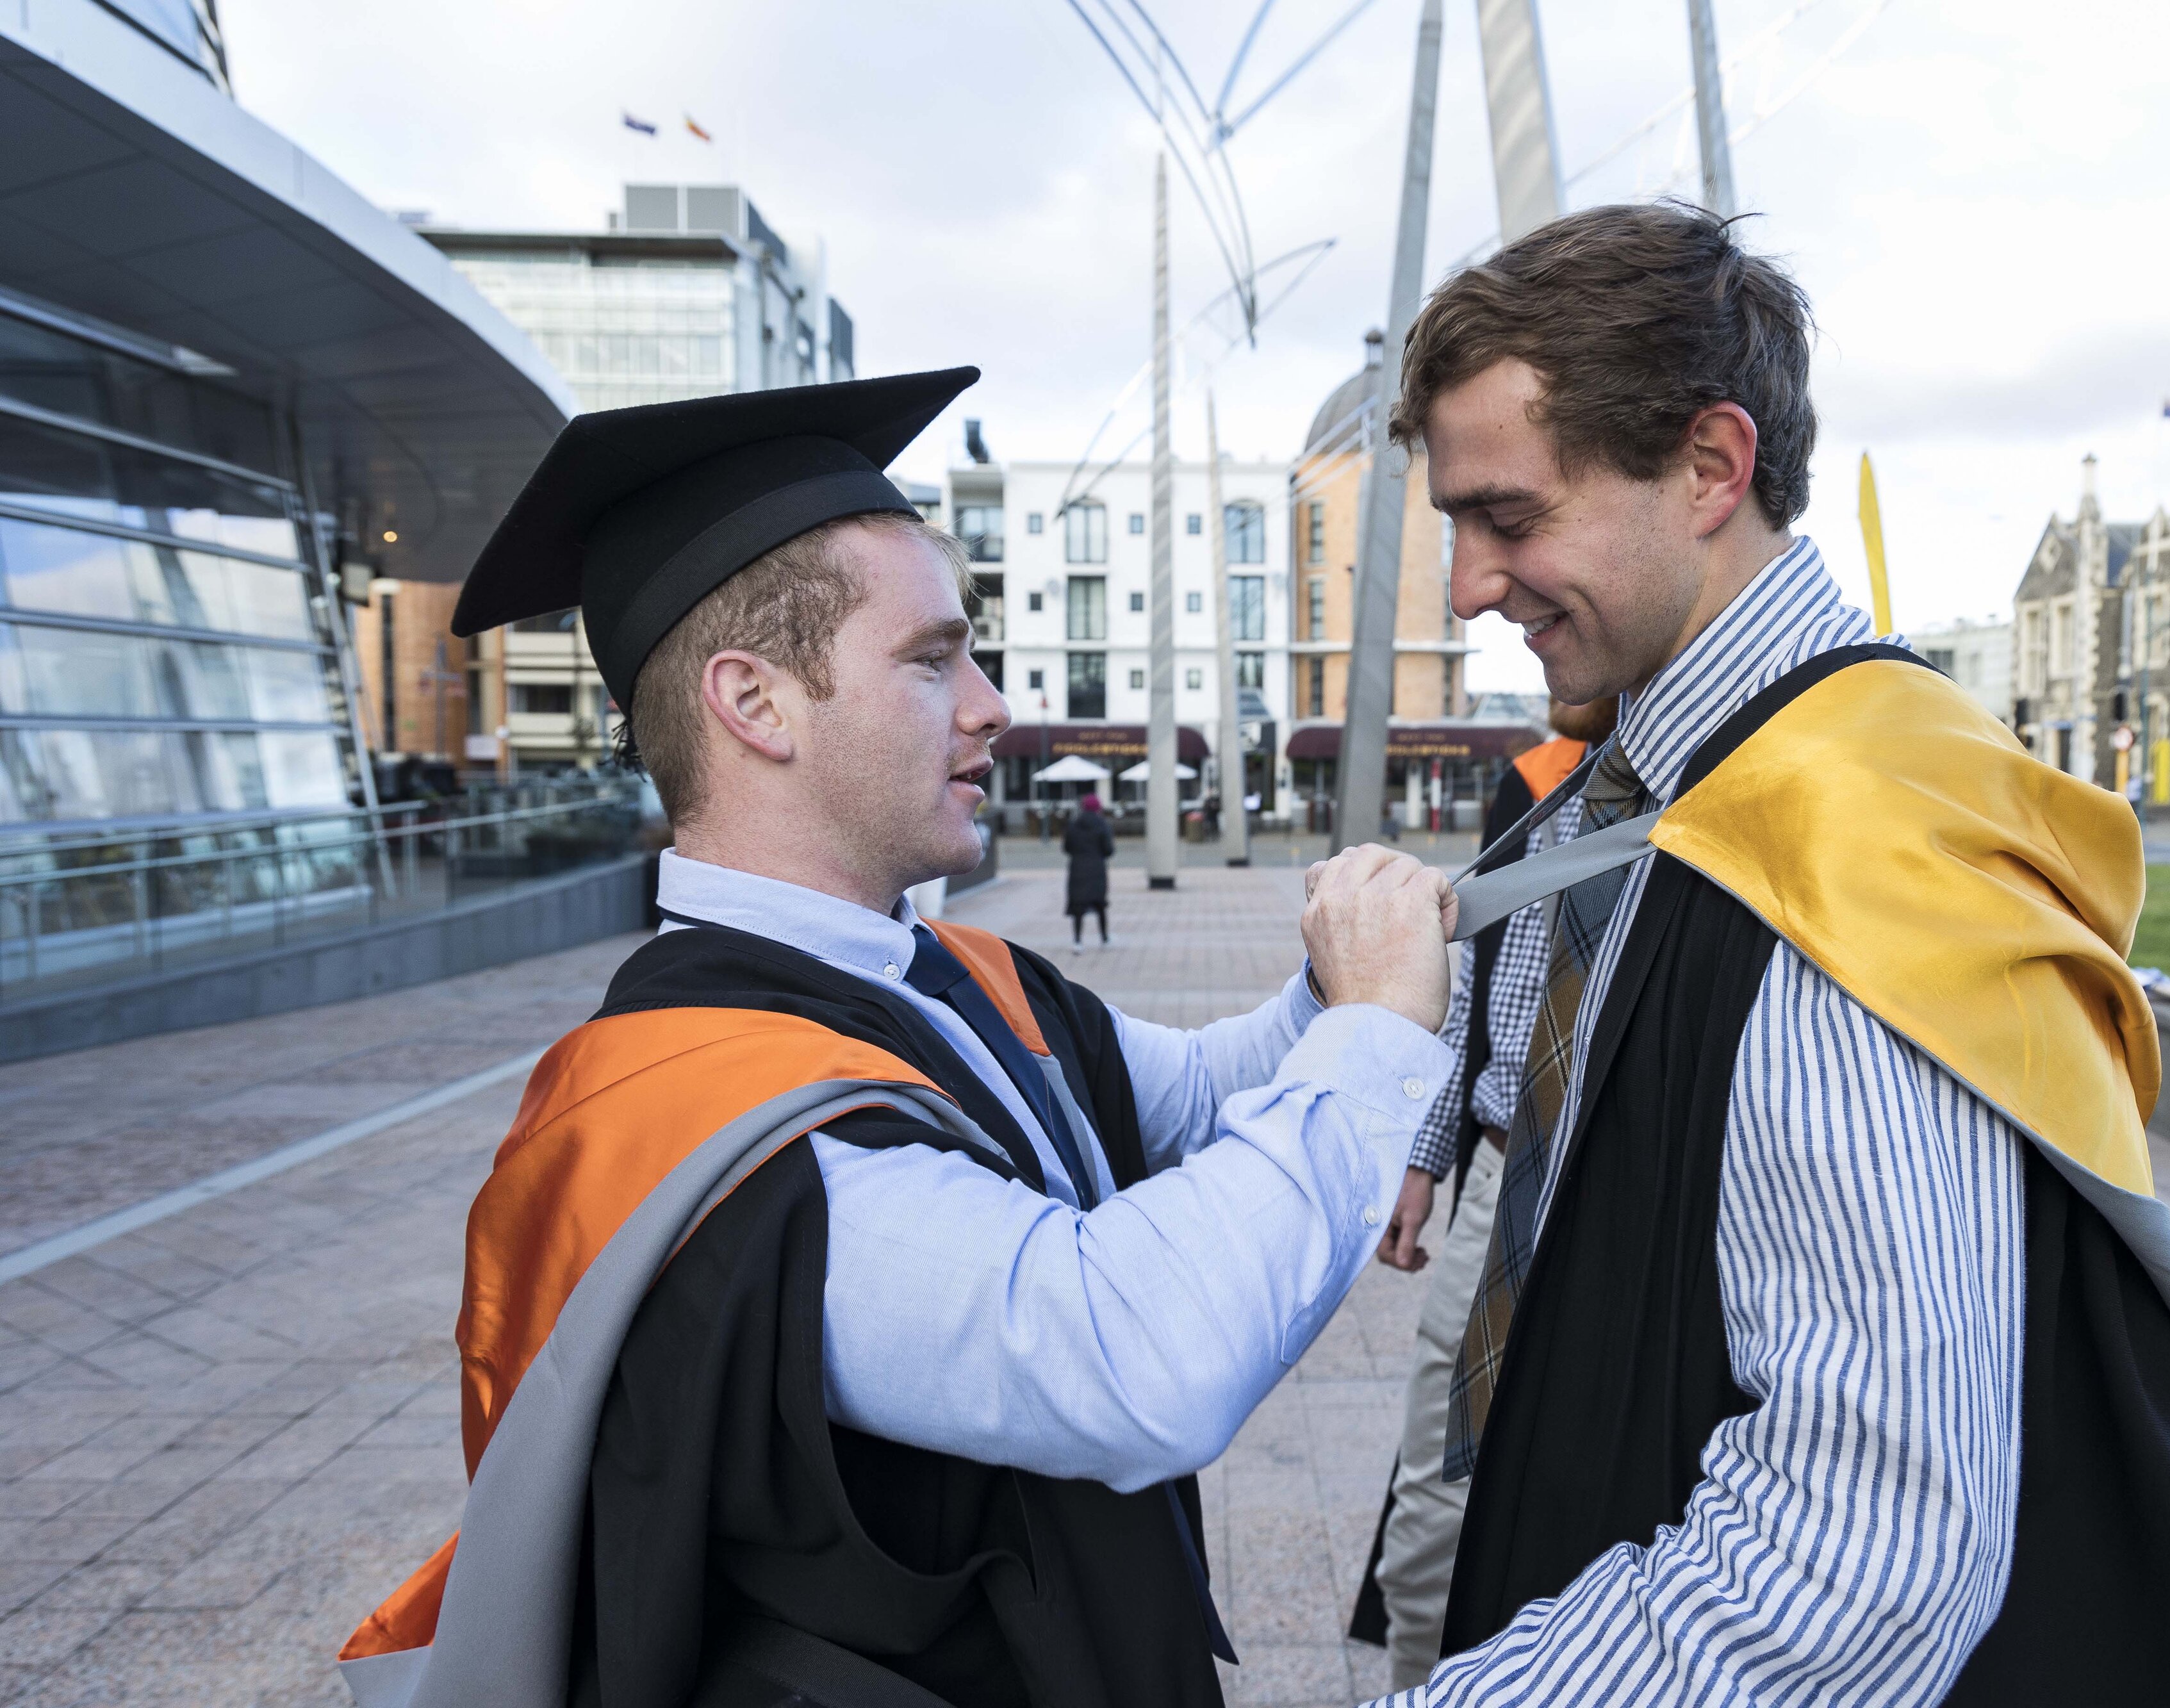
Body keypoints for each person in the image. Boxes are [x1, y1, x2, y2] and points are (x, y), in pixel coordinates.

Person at [334, 370, 1461, 1708]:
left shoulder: (950, 971)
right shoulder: (698, 1113)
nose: (992, 705)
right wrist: (1379, 1028)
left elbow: (1203, 1091)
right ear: (755, 705)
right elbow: (1129, 1353)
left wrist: (1346, 975)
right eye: (932, 660)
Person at [1369, 203, 2170, 1707]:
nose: (1466, 585)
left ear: (1712, 467)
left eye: (1509, 517)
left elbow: (1858, 1553)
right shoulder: (1662, 769)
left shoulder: (1853, 840)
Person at [1349, 695, 1618, 1687]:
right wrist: (1424, 1159)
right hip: (1504, 1174)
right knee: (1440, 1472)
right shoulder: (1543, 782)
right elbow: (1474, 983)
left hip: (1632, 1189)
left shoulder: (1745, 780)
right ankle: (1420, 1677)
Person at [1064, 789, 1113, 949]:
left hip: (1078, 869)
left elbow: (1067, 848)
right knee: (1100, 905)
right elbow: (1109, 850)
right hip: (1097, 869)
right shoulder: (1103, 825)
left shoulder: (1073, 825)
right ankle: (1105, 939)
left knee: (1078, 906)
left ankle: (1077, 941)